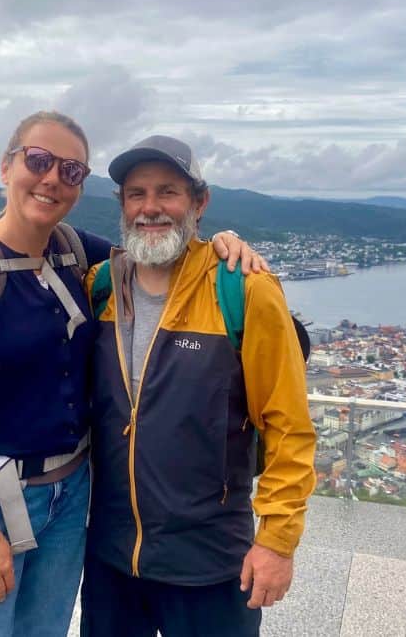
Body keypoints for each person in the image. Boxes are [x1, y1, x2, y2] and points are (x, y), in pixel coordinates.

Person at [0, 112, 261, 637]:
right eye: (38, 160)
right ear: (7, 167)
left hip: (71, 495)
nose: (53, 178)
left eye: (72, 170)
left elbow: (157, 252)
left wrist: (222, 242)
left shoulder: (75, 252)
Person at [80, 135, 316, 636]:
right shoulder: (100, 285)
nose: (151, 208)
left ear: (199, 202)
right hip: (111, 557)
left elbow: (289, 426)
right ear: (122, 205)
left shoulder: (243, 290)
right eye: (137, 193)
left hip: (210, 561)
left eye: (168, 192)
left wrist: (277, 540)